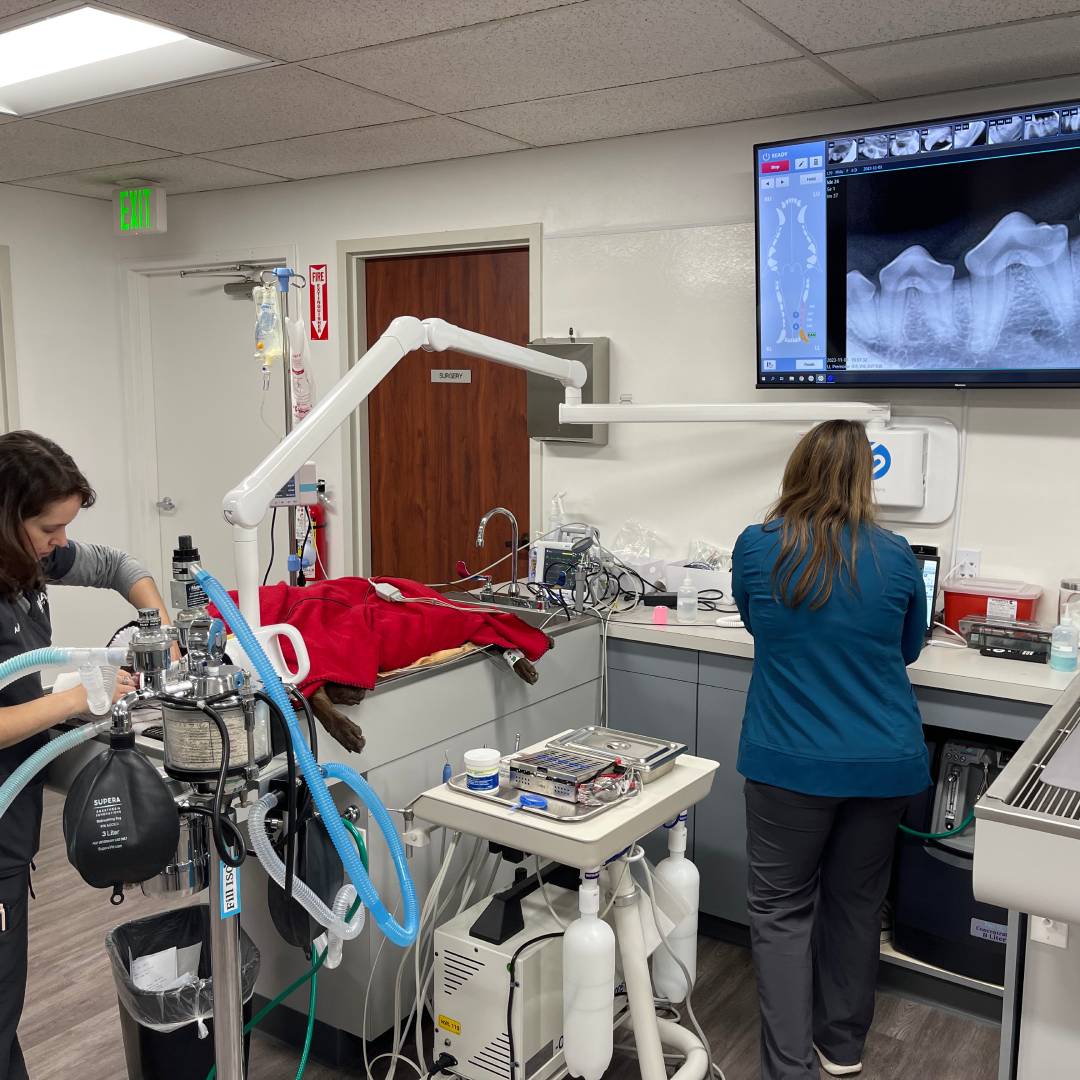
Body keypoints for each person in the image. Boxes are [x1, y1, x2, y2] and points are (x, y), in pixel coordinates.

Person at [731, 419, 930, 1080]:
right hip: (882, 763)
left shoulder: (757, 549)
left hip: (787, 761)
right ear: (865, 477)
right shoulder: (898, 555)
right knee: (855, 903)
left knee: (783, 914)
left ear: (795, 471)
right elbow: (907, 648)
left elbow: (759, 625)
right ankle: (841, 1047)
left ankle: (790, 1068)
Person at [0, 431, 174, 1080]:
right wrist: (77, 694)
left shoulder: (31, 560)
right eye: (50, 528)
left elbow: (120, 568)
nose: (61, 543)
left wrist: (159, 627)